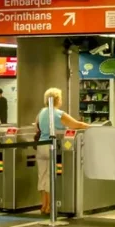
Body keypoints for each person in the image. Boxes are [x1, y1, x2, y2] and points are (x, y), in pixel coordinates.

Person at [35, 87, 89, 215]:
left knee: (41, 175)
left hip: (41, 145)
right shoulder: (58, 113)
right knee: (50, 176)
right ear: (57, 99)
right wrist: (93, 127)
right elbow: (77, 125)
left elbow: (36, 126)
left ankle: (43, 206)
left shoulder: (42, 112)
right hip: (52, 146)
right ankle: (49, 207)